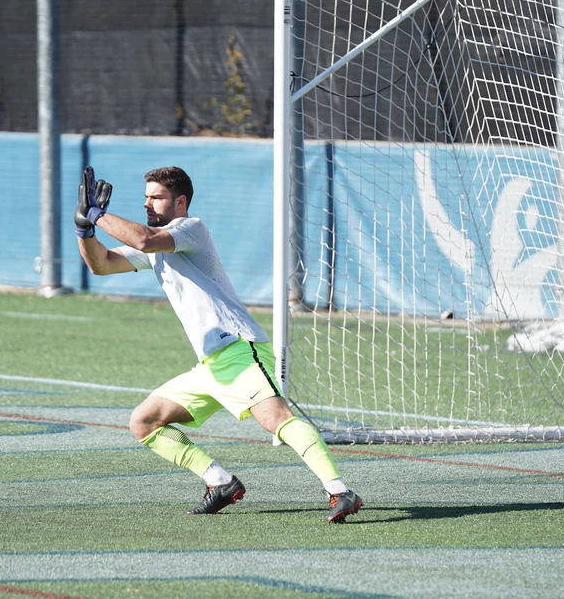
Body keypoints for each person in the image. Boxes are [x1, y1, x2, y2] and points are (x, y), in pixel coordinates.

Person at [74, 165, 363, 523]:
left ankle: (339, 491)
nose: (147, 203)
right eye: (146, 196)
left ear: (180, 201)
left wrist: (97, 214)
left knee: (276, 419)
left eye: (156, 197)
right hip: (210, 365)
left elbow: (144, 239)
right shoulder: (154, 243)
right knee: (144, 421)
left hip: (240, 349)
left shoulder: (190, 229)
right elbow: (101, 265)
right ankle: (220, 482)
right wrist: (84, 229)